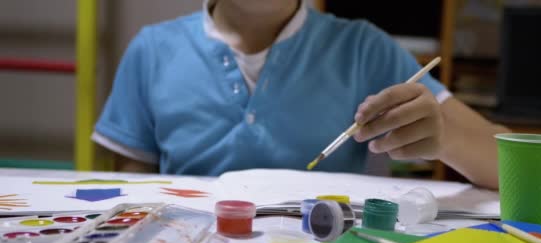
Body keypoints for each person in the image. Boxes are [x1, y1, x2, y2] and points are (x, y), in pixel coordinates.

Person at [92, 0, 510, 189]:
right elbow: (132, 190)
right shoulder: (152, 50)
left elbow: (511, 168)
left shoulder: (363, 48)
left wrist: (446, 139)